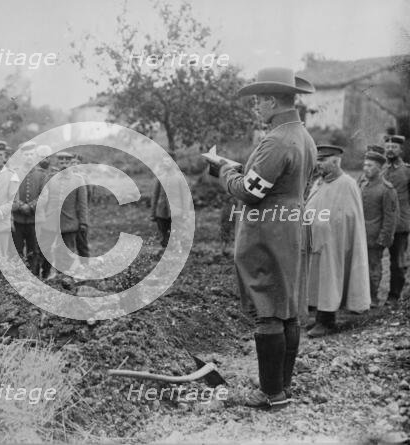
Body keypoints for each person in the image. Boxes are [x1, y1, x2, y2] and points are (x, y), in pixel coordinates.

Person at [211, 67, 316, 409]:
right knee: (286, 310)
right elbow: (277, 181)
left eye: (258, 101)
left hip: (266, 232)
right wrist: (241, 167)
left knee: (267, 311)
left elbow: (250, 192)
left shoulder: (276, 140)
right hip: (290, 228)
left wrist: (224, 170)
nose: (256, 106)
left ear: (272, 100)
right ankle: (282, 389)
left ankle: (270, 394)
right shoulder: (302, 136)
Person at [304, 145, 370, 338]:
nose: (318, 164)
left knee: (330, 279)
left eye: (323, 160)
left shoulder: (347, 184)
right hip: (316, 241)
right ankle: (319, 317)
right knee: (317, 279)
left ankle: (327, 321)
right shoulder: (319, 183)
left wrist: (326, 228)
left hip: (334, 243)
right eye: (318, 160)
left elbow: (348, 217)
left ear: (335, 161)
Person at [37, 151, 88, 279]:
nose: (64, 164)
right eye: (61, 162)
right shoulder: (50, 178)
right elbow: (43, 200)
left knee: (67, 252)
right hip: (50, 222)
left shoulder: (78, 179)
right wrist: (40, 218)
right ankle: (44, 275)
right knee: (45, 249)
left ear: (71, 163)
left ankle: (63, 278)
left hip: (69, 222)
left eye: (66, 162)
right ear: (57, 163)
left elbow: (82, 204)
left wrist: (83, 222)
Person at [358, 146, 399, 308]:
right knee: (359, 268)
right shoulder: (362, 184)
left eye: (370, 166)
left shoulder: (387, 189)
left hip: (374, 238)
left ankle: (373, 299)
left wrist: (384, 239)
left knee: (373, 269)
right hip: (359, 235)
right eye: (365, 165)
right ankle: (360, 298)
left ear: (380, 168)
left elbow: (391, 218)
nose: (365, 168)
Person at [382, 134, 409, 305]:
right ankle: (370, 297)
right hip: (381, 222)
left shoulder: (407, 171)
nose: (390, 150)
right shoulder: (380, 169)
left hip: (400, 224)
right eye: (388, 146)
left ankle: (394, 295)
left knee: (397, 262)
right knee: (373, 260)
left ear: (401, 150)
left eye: (394, 147)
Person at [12, 142, 47, 273]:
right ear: (21, 156)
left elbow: (44, 196)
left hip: (35, 220)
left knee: (35, 250)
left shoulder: (41, 175)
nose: (29, 157)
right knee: (17, 250)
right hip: (17, 219)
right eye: (26, 154)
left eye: (31, 154)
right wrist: (20, 205)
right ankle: (19, 276)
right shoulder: (14, 173)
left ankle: (34, 275)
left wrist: (31, 206)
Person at [150, 152, 192, 252]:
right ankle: (165, 252)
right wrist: (153, 213)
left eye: (168, 160)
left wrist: (186, 212)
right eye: (164, 161)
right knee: (163, 233)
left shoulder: (180, 177)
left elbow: (186, 196)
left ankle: (177, 252)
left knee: (176, 233)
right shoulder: (160, 177)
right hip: (161, 211)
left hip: (176, 211)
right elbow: (155, 196)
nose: (166, 163)